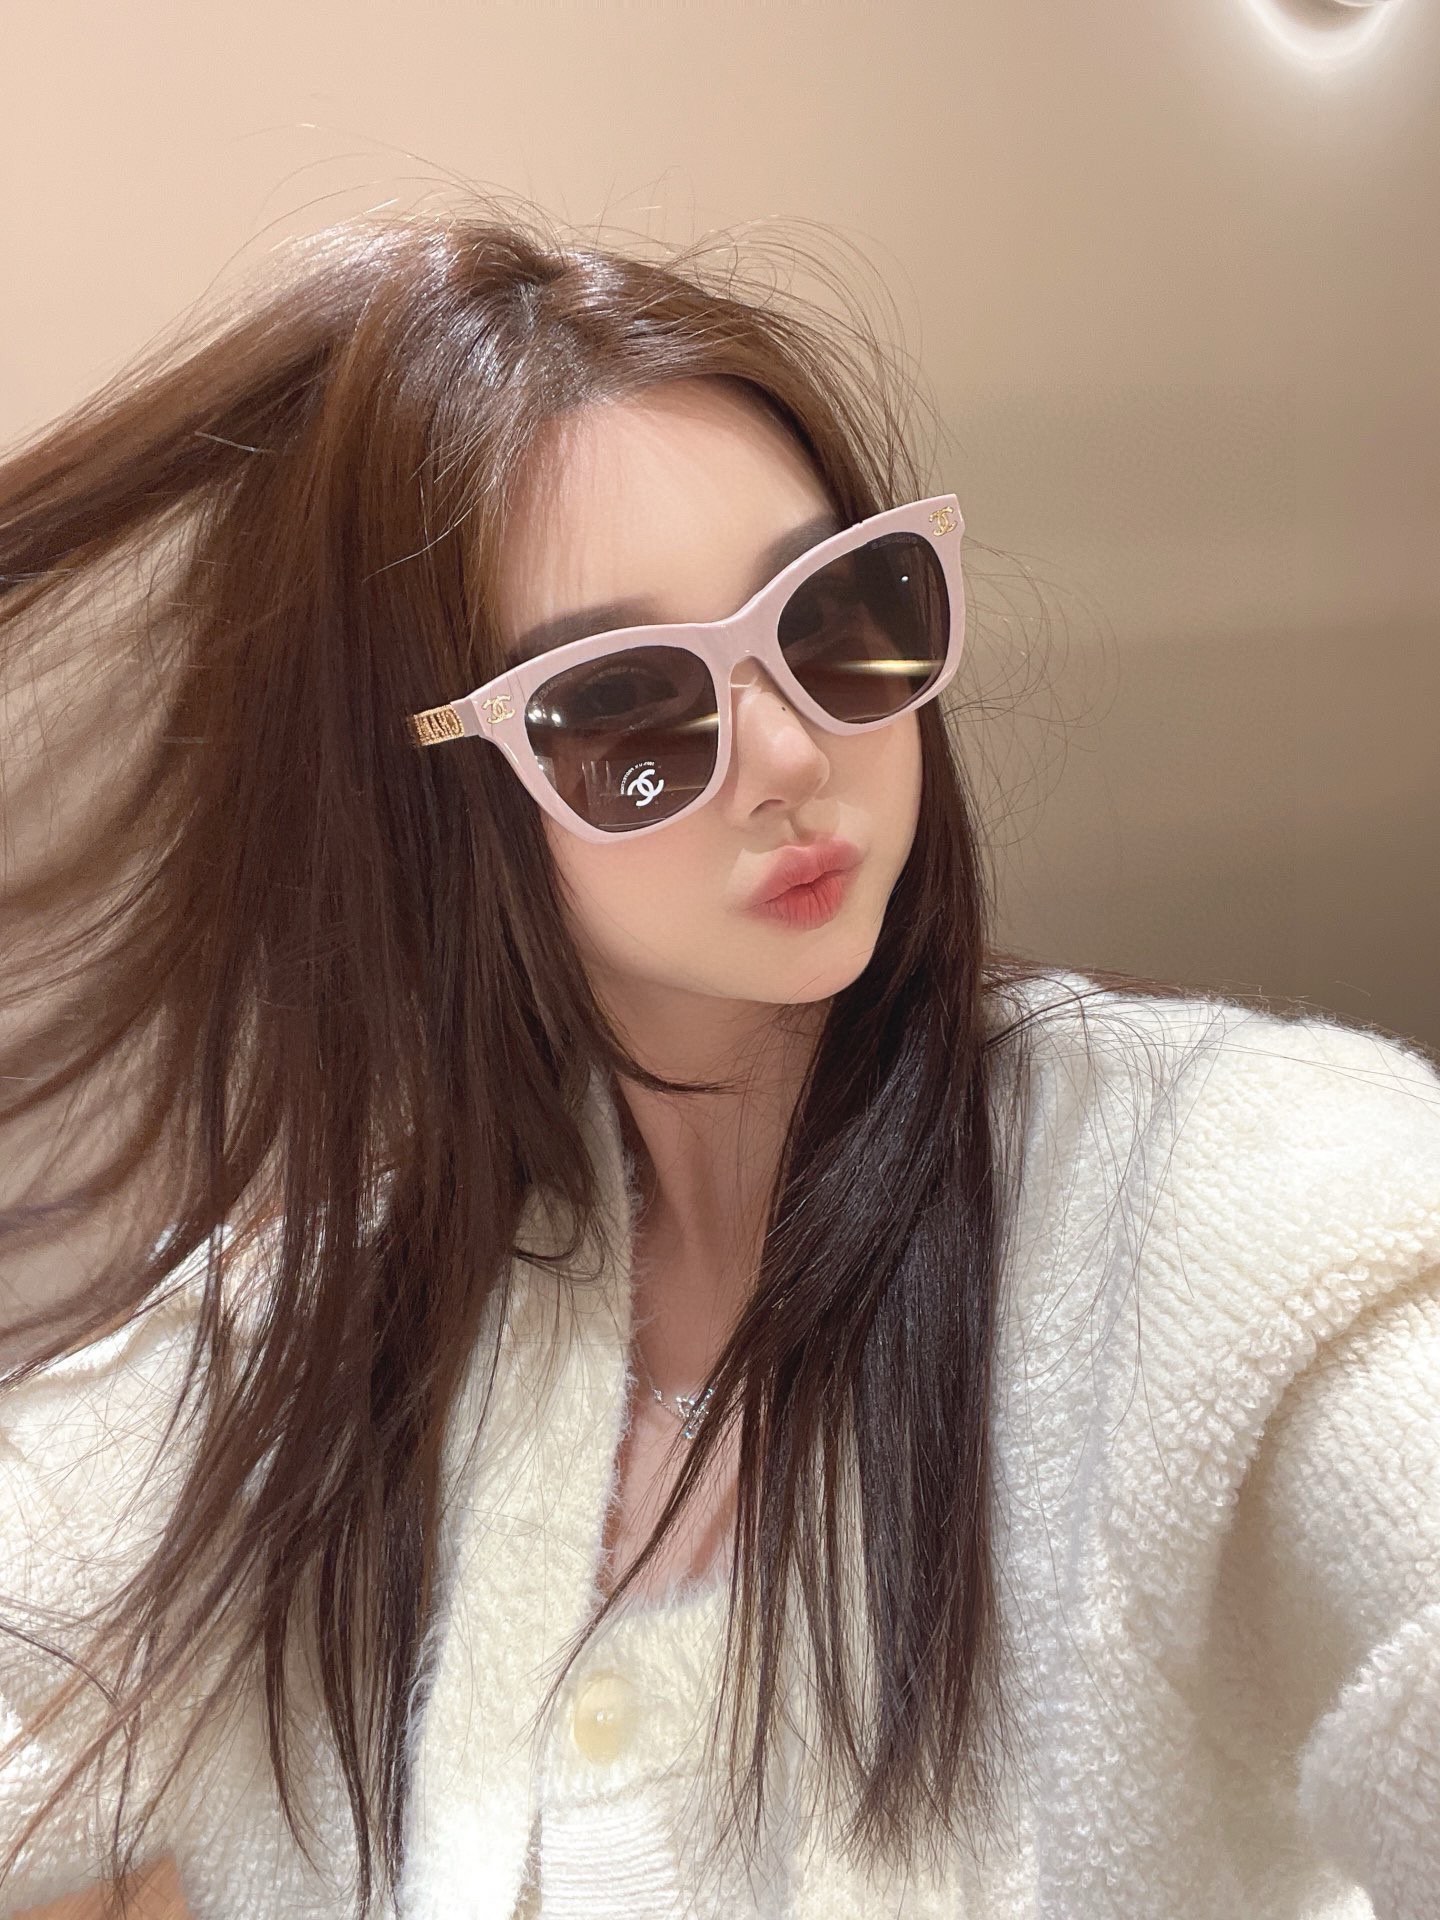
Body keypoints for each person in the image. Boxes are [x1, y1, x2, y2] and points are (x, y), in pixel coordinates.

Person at [1, 200, 1437, 1920]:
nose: (789, 753)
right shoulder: (325, 1337)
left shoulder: (1235, 1199)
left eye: (839, 616)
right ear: (427, 802)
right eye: (625, 708)